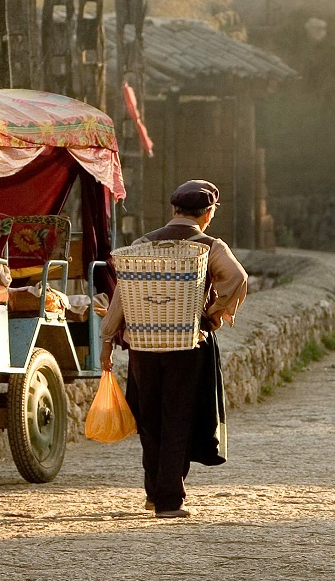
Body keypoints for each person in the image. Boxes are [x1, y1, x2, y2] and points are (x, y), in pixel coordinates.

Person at [101, 179, 248, 518]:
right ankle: (169, 499)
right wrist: (212, 316)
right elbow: (237, 279)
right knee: (178, 417)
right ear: (207, 213)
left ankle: (154, 493)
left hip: (143, 344)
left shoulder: (141, 244)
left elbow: (121, 295)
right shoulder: (209, 245)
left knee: (149, 417)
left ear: (173, 210)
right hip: (187, 344)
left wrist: (108, 340)